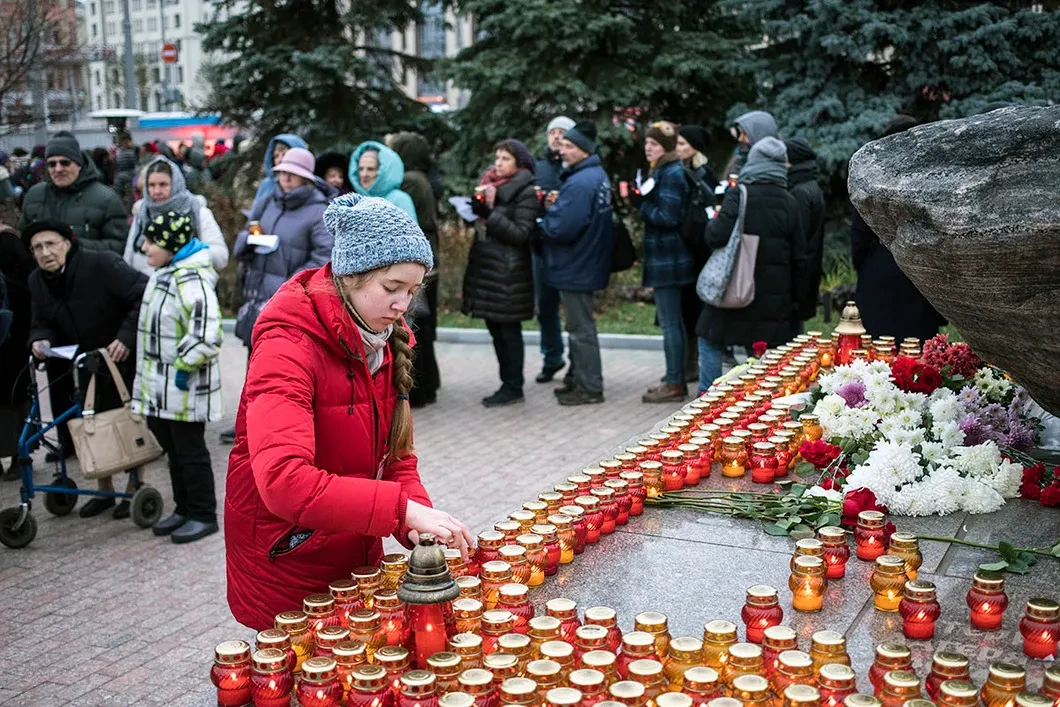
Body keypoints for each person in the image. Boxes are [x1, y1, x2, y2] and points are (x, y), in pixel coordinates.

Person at [224, 192, 473, 630]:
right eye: (391, 288)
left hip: (353, 553)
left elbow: (397, 459)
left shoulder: (384, 341)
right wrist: (400, 511)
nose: (402, 306)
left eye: (412, 291)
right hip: (289, 559)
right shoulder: (287, 346)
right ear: (351, 275)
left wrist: (417, 521)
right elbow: (283, 480)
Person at [24, 220, 149, 517]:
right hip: (77, 363)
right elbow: (41, 321)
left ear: (68, 243)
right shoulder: (37, 281)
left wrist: (126, 336)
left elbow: (144, 293)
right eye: (37, 248)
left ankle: (135, 486)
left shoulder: (101, 264)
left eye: (51, 244)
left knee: (124, 420)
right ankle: (105, 489)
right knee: (90, 425)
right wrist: (40, 340)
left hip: (117, 355)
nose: (45, 252)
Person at [221, 147, 334, 444]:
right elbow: (248, 232)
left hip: (289, 304)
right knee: (254, 363)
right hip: (256, 296)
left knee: (283, 367)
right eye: (282, 173)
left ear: (306, 178)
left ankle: (279, 428)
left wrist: (288, 286)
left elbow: (323, 259)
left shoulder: (318, 211)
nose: (285, 179)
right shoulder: (267, 201)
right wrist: (250, 241)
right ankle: (247, 424)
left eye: (292, 175)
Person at [132, 211, 223, 544]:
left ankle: (203, 514)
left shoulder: (191, 279)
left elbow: (207, 334)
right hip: (161, 386)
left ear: (171, 245)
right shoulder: (165, 273)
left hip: (184, 387)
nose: (144, 248)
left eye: (150, 242)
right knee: (172, 450)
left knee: (190, 451)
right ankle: (183, 508)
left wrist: (184, 366)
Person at [696, 137, 807, 393]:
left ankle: (707, 399)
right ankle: (756, 403)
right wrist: (796, 301)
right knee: (760, 354)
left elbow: (715, 236)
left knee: (710, 340)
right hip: (773, 298)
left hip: (734, 289)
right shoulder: (789, 201)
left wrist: (712, 219)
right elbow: (800, 257)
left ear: (754, 161)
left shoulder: (740, 194)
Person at [852, 115, 946, 342]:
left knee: (877, 348)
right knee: (917, 347)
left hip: (880, 268)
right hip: (919, 271)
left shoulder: (871, 177)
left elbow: (859, 236)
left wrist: (868, 264)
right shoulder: (930, 178)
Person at [539, 121, 613, 406]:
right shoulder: (593, 175)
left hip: (577, 264)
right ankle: (578, 379)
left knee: (580, 329)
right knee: (578, 326)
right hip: (585, 262)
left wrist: (542, 222)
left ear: (584, 150)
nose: (563, 150)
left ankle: (589, 387)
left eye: (570, 146)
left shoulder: (581, 182)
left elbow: (562, 227)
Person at [463, 139, 539, 407]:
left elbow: (521, 233)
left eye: (505, 158)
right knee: (496, 329)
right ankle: (507, 383)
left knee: (508, 330)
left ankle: (513, 386)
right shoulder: (489, 185)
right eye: (497, 158)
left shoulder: (526, 191)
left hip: (509, 273)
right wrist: (473, 211)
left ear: (519, 163)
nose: (498, 163)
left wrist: (489, 213)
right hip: (488, 269)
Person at [632, 121, 694, 403]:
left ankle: (674, 382)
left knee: (670, 322)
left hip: (670, 258)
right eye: (647, 142)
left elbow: (668, 216)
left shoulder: (670, 173)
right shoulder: (662, 170)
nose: (648, 148)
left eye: (654, 144)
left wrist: (642, 205)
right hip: (666, 257)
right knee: (672, 321)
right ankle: (674, 376)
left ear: (666, 148)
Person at [389, 132, 441, 408]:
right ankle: (431, 384)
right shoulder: (422, 178)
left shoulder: (410, 181)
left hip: (418, 258)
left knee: (416, 326)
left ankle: (420, 388)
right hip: (429, 254)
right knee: (425, 326)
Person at [18, 132, 128, 255]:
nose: (58, 169)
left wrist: (74, 246)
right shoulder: (34, 195)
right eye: (52, 164)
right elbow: (22, 240)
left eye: (65, 163)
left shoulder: (106, 199)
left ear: (79, 165)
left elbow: (119, 246)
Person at [123, 156, 229, 275]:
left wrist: (183, 252)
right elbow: (129, 256)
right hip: (144, 283)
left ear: (176, 184)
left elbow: (220, 257)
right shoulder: (142, 212)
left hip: (187, 282)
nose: (157, 191)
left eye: (163, 184)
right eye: (151, 185)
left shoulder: (197, 212)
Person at [532, 116, 575, 384]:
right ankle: (552, 358)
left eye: (562, 132)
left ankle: (576, 364)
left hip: (570, 249)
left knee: (572, 310)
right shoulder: (538, 166)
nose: (557, 136)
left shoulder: (575, 166)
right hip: (542, 246)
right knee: (545, 307)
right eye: (553, 132)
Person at [676, 124, 717, 382]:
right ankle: (688, 363)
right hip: (685, 250)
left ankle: (695, 365)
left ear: (695, 147)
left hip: (700, 251)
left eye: (682, 144)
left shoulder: (704, 175)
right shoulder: (679, 172)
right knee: (686, 310)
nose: (677, 148)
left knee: (695, 310)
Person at [0, 224, 36, 480]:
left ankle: (17, 456)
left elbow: (26, 286)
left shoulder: (7, 241)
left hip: (10, 338)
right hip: (11, 337)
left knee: (12, 398)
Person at [784, 137, 826, 330]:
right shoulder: (810, 185)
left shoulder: (799, 192)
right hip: (807, 269)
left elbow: (798, 238)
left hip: (799, 274)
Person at [349, 141, 418, 221]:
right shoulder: (354, 200)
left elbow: (410, 228)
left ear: (384, 172)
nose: (364, 174)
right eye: (361, 169)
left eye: (370, 169)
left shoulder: (400, 199)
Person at [253, 133, 308, 204]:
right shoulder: (267, 184)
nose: (280, 159)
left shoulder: (312, 185)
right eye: (276, 156)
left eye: (285, 154)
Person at [113, 133, 139, 209]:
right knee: (131, 198)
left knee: (124, 198)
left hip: (123, 177)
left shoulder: (119, 153)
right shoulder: (132, 152)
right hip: (131, 177)